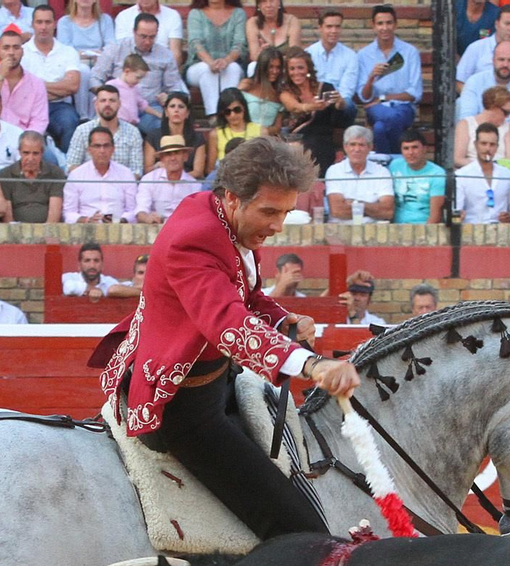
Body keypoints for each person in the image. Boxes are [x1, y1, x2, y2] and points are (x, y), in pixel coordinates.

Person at [93, 136, 357, 540]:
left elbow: (246, 297)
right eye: (269, 211)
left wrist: (283, 319)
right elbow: (226, 320)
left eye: (285, 212)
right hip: (182, 406)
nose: (277, 226)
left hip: (217, 381)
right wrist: (311, 364)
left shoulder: (219, 216)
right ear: (233, 198)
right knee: (300, 532)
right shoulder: (194, 238)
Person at [91, 12, 182, 137]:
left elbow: (174, 87)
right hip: (118, 105)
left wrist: (168, 97)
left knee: (164, 128)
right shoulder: (116, 48)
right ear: (134, 32)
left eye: (152, 37)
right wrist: (106, 94)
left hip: (150, 105)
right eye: (143, 36)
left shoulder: (165, 54)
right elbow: (95, 76)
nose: (147, 41)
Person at [354, 4, 419, 154]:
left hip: (404, 108)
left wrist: (383, 98)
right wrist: (371, 77)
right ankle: (397, 159)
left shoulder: (410, 52)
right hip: (377, 110)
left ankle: (384, 161)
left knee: (380, 128)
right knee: (387, 118)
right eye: (380, 23)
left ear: (395, 25)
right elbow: (364, 97)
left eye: (389, 23)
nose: (385, 28)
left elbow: (415, 93)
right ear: (373, 26)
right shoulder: (364, 55)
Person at [22, 4, 82, 152]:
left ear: (55, 24)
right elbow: (22, 89)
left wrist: (37, 85)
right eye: (39, 22)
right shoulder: (22, 52)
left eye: (48, 22)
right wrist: (59, 87)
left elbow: (73, 86)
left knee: (70, 122)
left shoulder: (68, 52)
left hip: (59, 106)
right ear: (32, 24)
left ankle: (68, 168)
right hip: (29, 106)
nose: (43, 27)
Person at [0, 30, 46, 137]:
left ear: (23, 52)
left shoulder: (36, 83)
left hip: (24, 139)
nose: (11, 52)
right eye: (6, 48)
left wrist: (25, 142)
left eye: (16, 48)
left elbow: (39, 121)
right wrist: (0, 77)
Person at [279, 49, 343, 166]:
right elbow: (295, 107)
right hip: (297, 137)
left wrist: (340, 103)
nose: (296, 72)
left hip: (323, 138)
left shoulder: (325, 87)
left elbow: (337, 117)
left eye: (300, 68)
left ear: (308, 68)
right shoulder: (285, 92)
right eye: (292, 69)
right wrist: (313, 106)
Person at [61, 124, 135, 221]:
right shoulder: (76, 175)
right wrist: (87, 220)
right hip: (86, 231)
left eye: (106, 146)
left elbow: (133, 210)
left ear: (113, 149)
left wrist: (119, 221)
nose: (102, 151)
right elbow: (68, 213)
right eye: (97, 146)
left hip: (120, 231)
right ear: (89, 150)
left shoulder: (126, 174)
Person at [186, 0, 246, 116]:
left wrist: (226, 61)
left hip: (229, 64)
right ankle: (214, 116)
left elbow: (239, 44)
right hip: (198, 67)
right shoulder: (196, 13)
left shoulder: (238, 13)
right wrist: (211, 62)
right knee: (207, 69)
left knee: (232, 68)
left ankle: (230, 112)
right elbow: (195, 43)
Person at [65, 82, 142, 172]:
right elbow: (71, 165)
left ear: (119, 104)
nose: (107, 104)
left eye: (112, 100)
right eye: (103, 100)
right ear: (96, 104)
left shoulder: (133, 133)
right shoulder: (82, 131)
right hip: (88, 184)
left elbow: (136, 171)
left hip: (121, 185)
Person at [325, 123, 392, 223]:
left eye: (361, 145)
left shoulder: (382, 172)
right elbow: (337, 211)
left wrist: (357, 205)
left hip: (374, 232)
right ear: (345, 147)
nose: (357, 149)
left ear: (370, 148)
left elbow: (387, 212)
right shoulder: (334, 171)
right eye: (352, 144)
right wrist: (371, 208)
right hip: (340, 231)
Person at [454, 120, 510, 223]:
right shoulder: (462, 175)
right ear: (476, 144)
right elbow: (456, 211)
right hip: (471, 230)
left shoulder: (507, 175)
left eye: (492, 144)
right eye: (483, 144)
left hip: (501, 231)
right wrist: (458, 216)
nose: (488, 149)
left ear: (497, 147)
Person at [0, 128, 62, 221]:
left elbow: (55, 213)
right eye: (26, 153)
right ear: (19, 151)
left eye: (35, 153)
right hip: (16, 232)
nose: (30, 158)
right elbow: (8, 216)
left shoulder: (55, 173)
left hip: (47, 232)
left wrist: (47, 234)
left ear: (42, 152)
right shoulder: (6, 174)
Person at [135, 131, 199, 221]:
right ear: (162, 158)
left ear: (185, 156)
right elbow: (141, 211)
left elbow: (196, 216)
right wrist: (147, 218)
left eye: (176, 153)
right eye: (168, 154)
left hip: (183, 229)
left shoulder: (194, 186)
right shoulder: (149, 180)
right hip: (156, 229)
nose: (173, 158)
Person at [304, 8, 355, 119]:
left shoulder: (350, 56)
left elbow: (347, 89)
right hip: (315, 100)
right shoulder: (308, 54)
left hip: (339, 102)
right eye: (329, 26)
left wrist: (339, 100)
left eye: (337, 26)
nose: (334, 31)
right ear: (320, 28)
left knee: (349, 106)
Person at [455, 84, 510, 167]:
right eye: (506, 112)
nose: (508, 116)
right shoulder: (465, 124)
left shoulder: (508, 128)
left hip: (499, 173)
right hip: (471, 172)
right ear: (493, 107)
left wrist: (493, 167)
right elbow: (457, 159)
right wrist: (483, 166)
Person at [144, 89, 204, 176]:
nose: (176, 110)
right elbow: (147, 170)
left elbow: (198, 172)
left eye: (181, 107)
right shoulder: (153, 136)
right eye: (172, 106)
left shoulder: (197, 138)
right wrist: (157, 167)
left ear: (187, 113)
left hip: (188, 183)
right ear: (166, 112)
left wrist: (178, 178)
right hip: (160, 181)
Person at [114, 0, 184, 67]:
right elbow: (122, 51)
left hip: (162, 66)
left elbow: (175, 53)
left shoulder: (172, 16)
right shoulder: (123, 16)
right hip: (132, 68)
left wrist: (169, 73)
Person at [204, 84, 258, 171]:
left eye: (237, 110)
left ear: (244, 108)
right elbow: (211, 169)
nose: (232, 115)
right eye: (227, 112)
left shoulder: (261, 131)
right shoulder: (215, 134)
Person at [237, 44, 283, 132]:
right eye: (271, 67)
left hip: (266, 139)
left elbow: (277, 128)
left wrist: (261, 131)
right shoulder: (247, 85)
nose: (275, 71)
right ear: (263, 66)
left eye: (278, 67)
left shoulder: (279, 94)